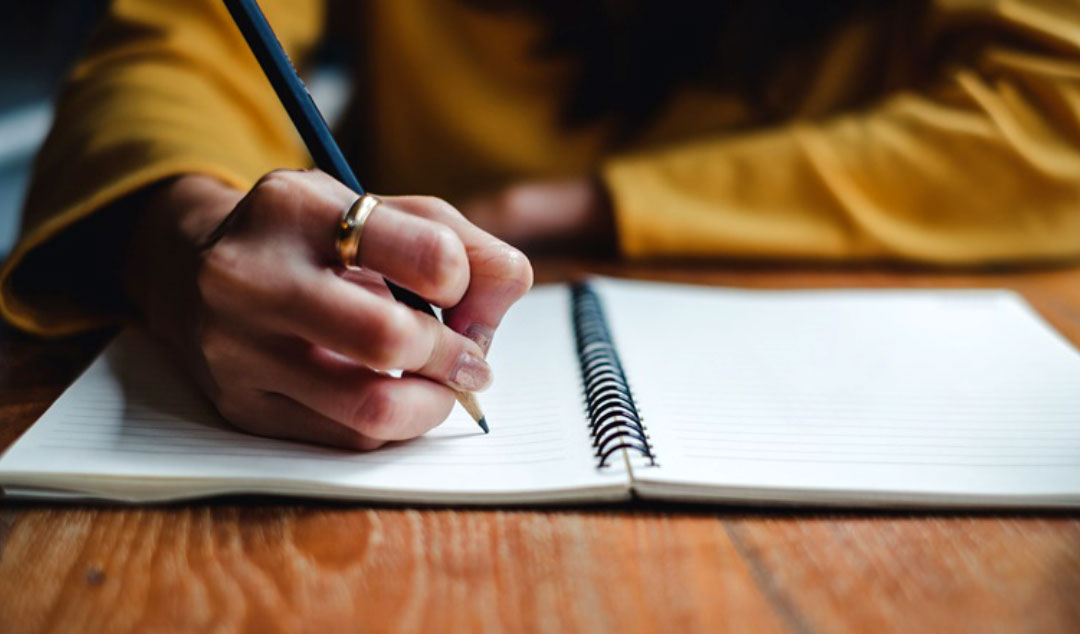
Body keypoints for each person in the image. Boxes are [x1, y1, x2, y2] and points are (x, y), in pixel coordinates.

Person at [2, 0, 1079, 450]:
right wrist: (181, 231)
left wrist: (571, 205)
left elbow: (1056, 110)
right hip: (367, 345)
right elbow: (179, 50)